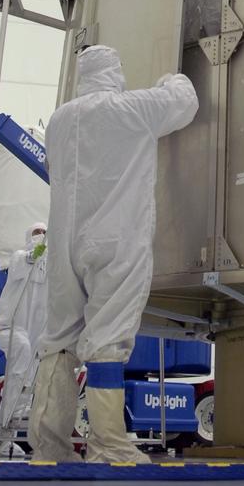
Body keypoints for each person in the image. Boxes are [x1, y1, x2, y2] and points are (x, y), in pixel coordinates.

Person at [29, 46, 199, 464]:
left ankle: (48, 448)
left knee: (58, 340)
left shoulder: (59, 119)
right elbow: (185, 100)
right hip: (115, 239)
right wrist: (168, 79)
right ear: (115, 72)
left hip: (64, 242)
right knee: (107, 339)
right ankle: (108, 444)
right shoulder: (131, 108)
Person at [0, 222, 48, 457]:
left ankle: (8, 439)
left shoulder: (48, 267)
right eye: (36, 233)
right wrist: (37, 251)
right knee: (22, 358)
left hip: (35, 335)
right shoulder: (20, 257)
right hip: (11, 328)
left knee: (27, 383)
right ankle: (2, 439)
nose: (41, 237)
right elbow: (22, 263)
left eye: (44, 233)